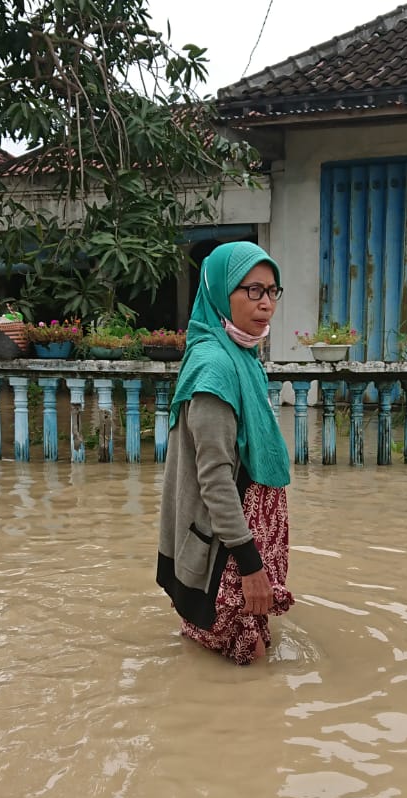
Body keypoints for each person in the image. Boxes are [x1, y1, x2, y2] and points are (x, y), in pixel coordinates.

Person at [157, 242, 294, 664]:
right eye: (252, 290)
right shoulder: (215, 367)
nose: (266, 303)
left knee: (224, 653)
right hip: (229, 548)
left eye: (272, 291)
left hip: (241, 538)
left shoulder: (243, 355)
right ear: (221, 292)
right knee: (250, 664)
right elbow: (213, 477)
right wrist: (251, 566)